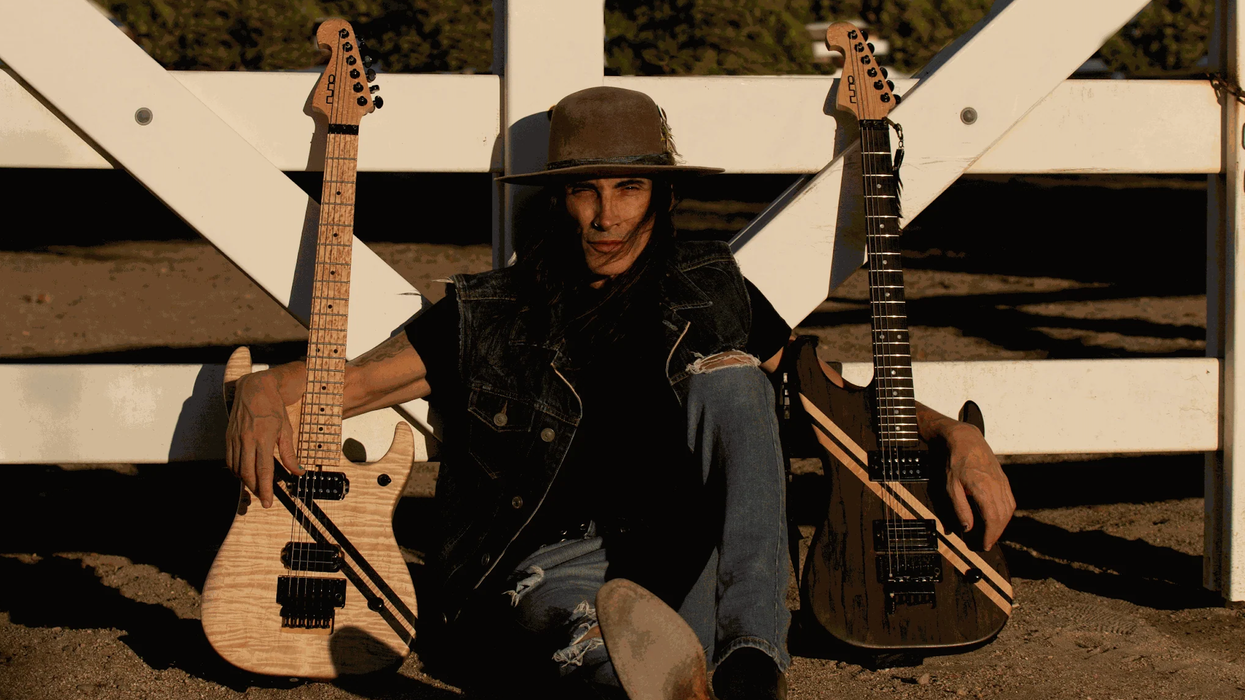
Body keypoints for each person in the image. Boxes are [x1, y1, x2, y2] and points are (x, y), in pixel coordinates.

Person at [225, 86, 1015, 700]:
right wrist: (268, 389)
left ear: (662, 194)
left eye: (629, 187)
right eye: (583, 190)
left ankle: (750, 662)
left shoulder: (712, 288)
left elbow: (826, 395)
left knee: (736, 380)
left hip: (689, 562)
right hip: (546, 568)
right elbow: (349, 382)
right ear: (557, 198)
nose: (605, 216)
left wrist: (955, 435)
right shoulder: (490, 312)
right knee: (589, 646)